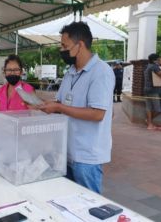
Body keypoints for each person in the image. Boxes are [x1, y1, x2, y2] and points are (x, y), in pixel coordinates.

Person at [34, 22, 115, 194]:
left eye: (65, 46)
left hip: (87, 155)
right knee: (69, 201)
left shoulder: (101, 72)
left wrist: (59, 107)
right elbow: (61, 102)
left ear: (80, 45)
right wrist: (45, 104)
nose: (61, 50)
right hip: (66, 151)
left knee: (88, 204)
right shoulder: (70, 72)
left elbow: (97, 113)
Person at [144, 53, 161, 131]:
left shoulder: (148, 66)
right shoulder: (154, 67)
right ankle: (149, 122)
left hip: (147, 89)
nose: (159, 61)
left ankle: (149, 124)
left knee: (149, 107)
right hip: (155, 90)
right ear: (154, 60)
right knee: (160, 108)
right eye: (158, 59)